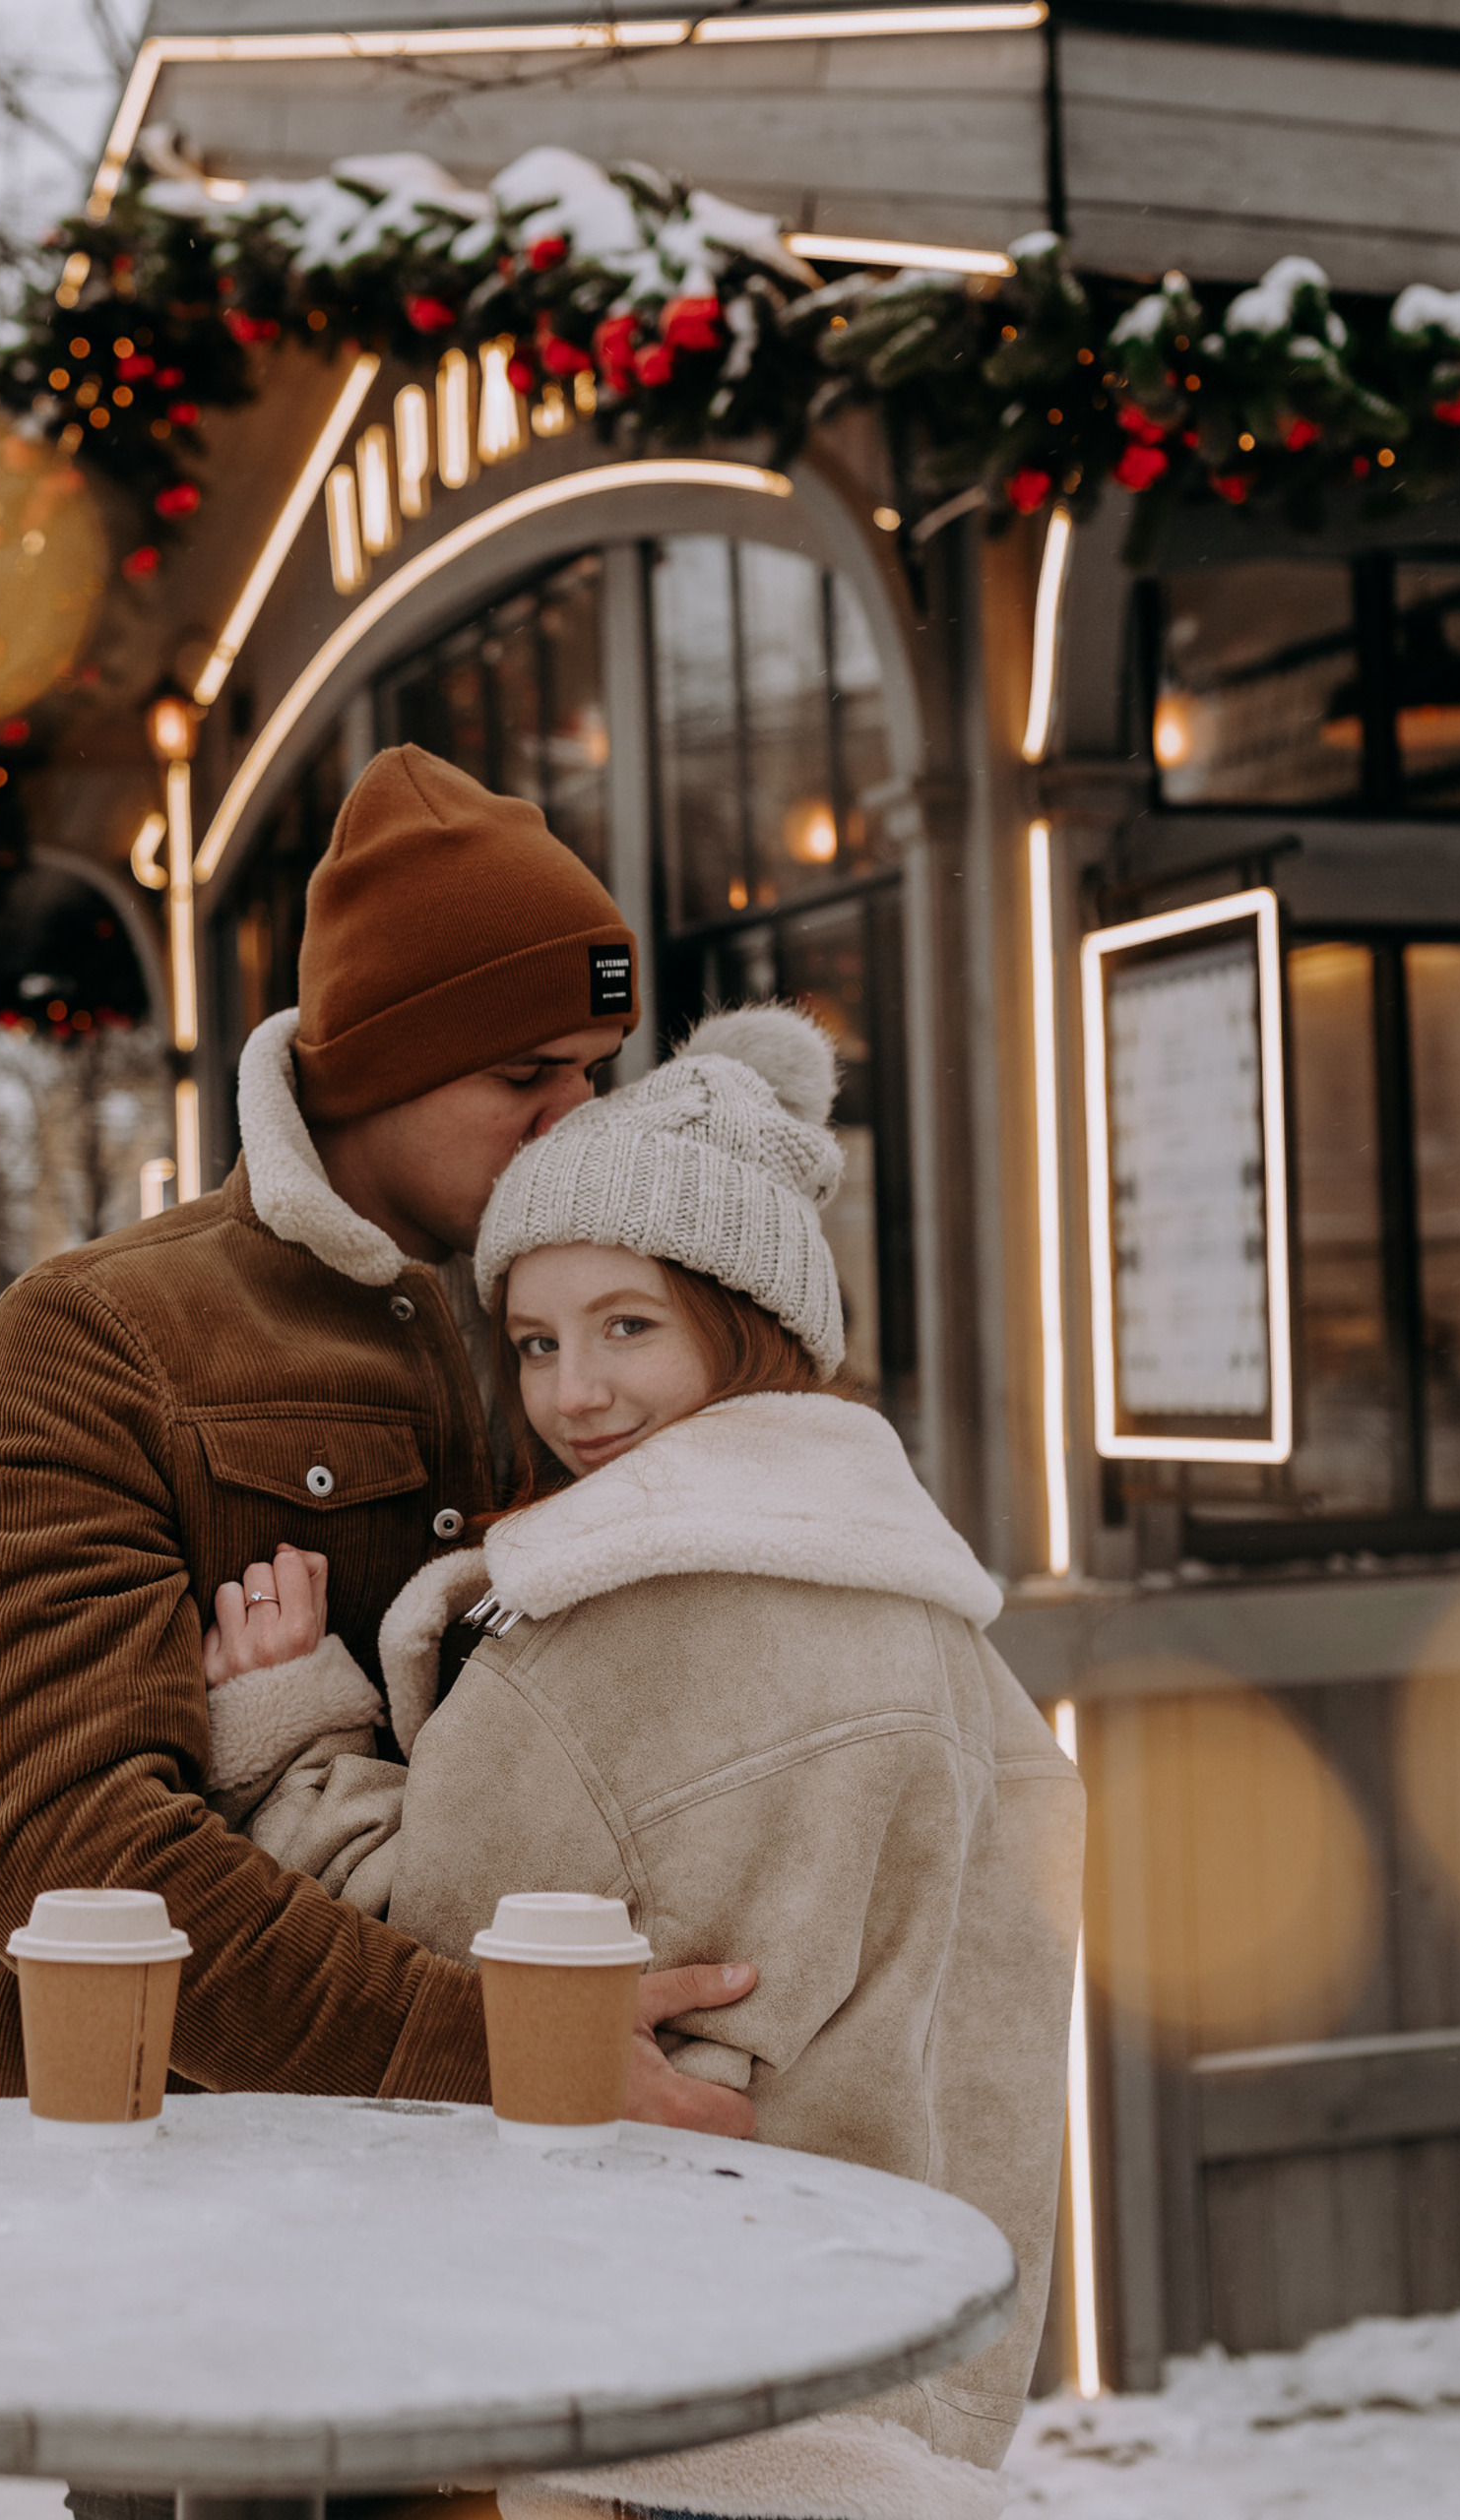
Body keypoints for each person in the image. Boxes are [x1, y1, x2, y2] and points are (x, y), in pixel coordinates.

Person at [202, 1004, 1086, 2520]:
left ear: (749, 1323)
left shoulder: (628, 1619)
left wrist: (293, 1737)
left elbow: (428, 1948)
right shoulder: (931, 1617)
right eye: (538, 1342)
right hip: (885, 2367)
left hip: (664, 2395)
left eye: (629, 1327)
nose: (574, 1395)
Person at [0, 744, 758, 2140]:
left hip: (567, 2183)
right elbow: (67, 1857)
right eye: (525, 1073)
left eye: (597, 1069)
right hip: (147, 2168)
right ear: (376, 1067)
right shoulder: (98, 1336)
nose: (577, 1120)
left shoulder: (610, 1327)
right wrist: (495, 2051)